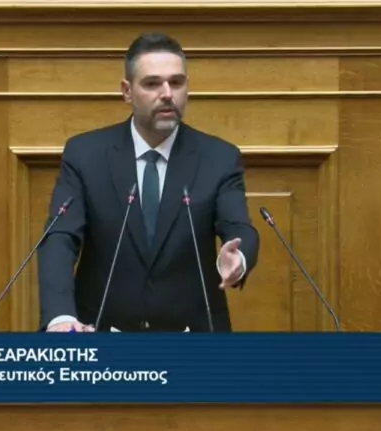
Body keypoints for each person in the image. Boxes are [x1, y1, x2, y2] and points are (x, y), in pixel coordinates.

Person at [36, 32, 260, 333]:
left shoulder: (218, 157)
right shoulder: (86, 155)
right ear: (127, 91)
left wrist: (238, 258)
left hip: (193, 335)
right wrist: (60, 316)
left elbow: (239, 227)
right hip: (101, 332)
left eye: (176, 82)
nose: (167, 93)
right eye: (152, 83)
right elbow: (60, 237)